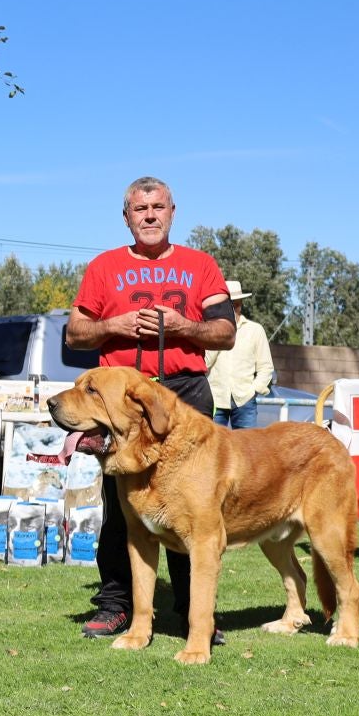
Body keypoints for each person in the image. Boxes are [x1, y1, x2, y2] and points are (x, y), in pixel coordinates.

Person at [64, 176, 235, 639]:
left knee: (194, 503)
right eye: (140, 209)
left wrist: (184, 326)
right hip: (120, 401)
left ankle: (192, 612)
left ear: (173, 212)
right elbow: (74, 334)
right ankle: (117, 603)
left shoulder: (200, 265)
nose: (150, 215)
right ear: (126, 217)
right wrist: (113, 324)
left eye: (158, 207)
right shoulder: (103, 267)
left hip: (184, 393)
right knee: (121, 508)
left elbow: (226, 332)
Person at [205, 279, 275, 428]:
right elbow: (204, 364)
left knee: (248, 449)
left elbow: (266, 367)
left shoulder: (255, 330)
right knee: (214, 448)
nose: (233, 308)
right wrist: (219, 334)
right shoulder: (209, 330)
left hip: (245, 400)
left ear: (241, 305)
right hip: (216, 399)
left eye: (236, 304)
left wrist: (254, 390)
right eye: (228, 304)